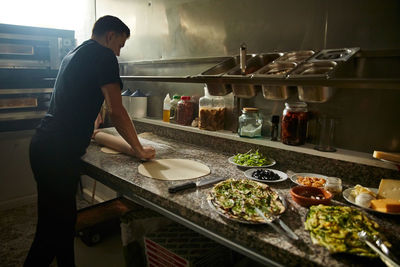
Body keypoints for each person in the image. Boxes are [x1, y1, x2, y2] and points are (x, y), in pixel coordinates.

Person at [24, 15, 155, 267]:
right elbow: (116, 110)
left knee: (61, 224)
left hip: (44, 146)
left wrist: (92, 119)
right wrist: (138, 149)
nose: (118, 53)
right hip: (58, 154)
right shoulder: (104, 55)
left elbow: (79, 95)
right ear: (110, 36)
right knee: (49, 235)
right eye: (120, 45)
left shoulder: (75, 53)